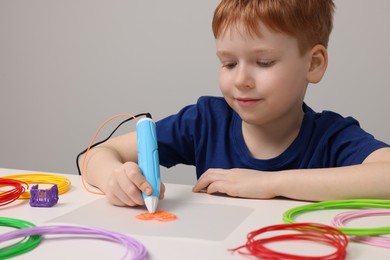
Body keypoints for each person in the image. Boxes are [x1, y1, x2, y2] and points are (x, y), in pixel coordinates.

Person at [81, 0, 390, 207]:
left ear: (313, 63)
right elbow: (93, 156)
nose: (241, 79)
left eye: (264, 62)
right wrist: (114, 177)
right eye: (228, 64)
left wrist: (271, 184)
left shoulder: (331, 136)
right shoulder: (205, 122)